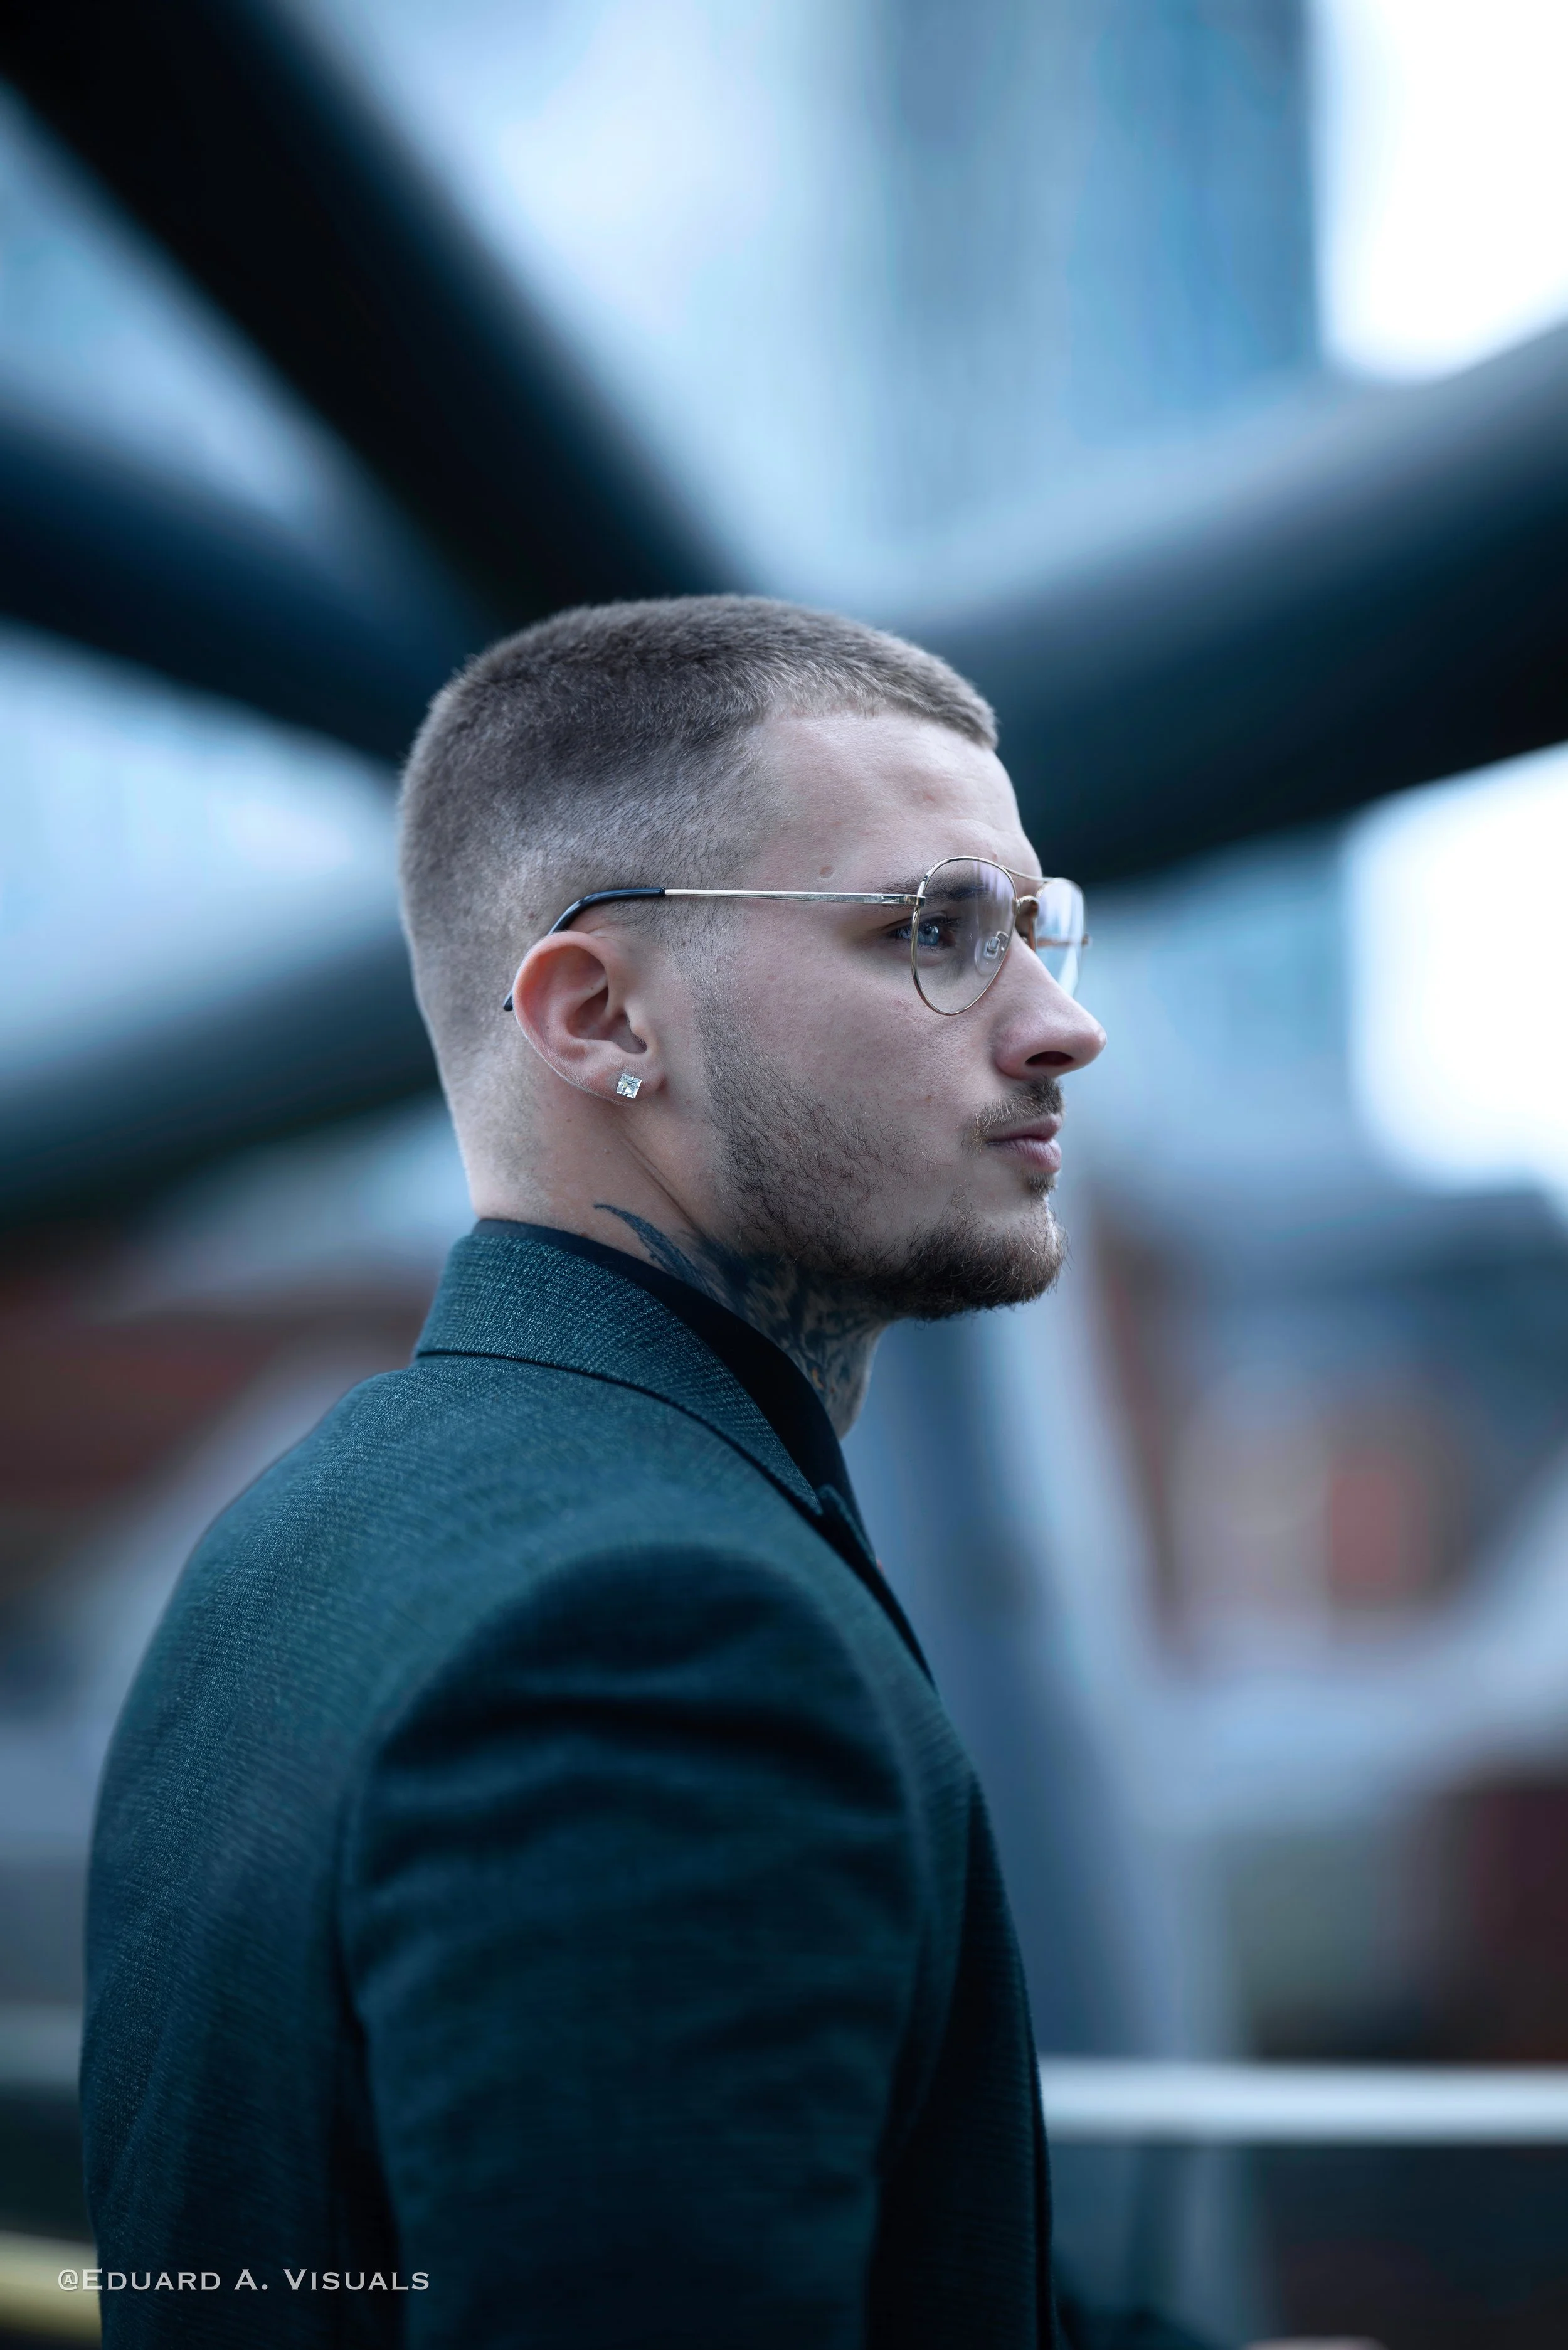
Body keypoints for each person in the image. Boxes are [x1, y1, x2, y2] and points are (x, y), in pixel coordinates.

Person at [81, 597, 1266, 2346]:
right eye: (931, 927)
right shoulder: (654, 1640)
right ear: (593, 1013)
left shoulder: (301, 1523)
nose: (1057, 1028)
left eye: (1034, 929)